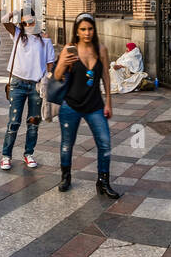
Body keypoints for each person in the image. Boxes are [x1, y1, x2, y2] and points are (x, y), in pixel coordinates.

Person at [51, 15, 120, 199]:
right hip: (70, 105)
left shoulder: (101, 50)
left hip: (95, 105)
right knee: (67, 144)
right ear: (77, 31)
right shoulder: (69, 49)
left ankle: (103, 182)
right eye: (83, 29)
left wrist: (109, 102)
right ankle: (65, 177)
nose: (87, 33)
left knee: (105, 143)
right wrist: (64, 63)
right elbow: (57, 77)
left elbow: (105, 75)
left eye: (90, 29)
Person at [0, 15, 54, 169]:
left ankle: (29, 153)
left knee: (33, 122)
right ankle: (6, 156)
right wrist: (15, 12)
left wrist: (48, 79)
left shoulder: (45, 39)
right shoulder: (18, 35)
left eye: (31, 21)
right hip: (17, 84)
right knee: (13, 122)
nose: (29, 24)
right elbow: (4, 21)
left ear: (37, 21)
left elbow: (49, 63)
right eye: (25, 22)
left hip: (36, 85)